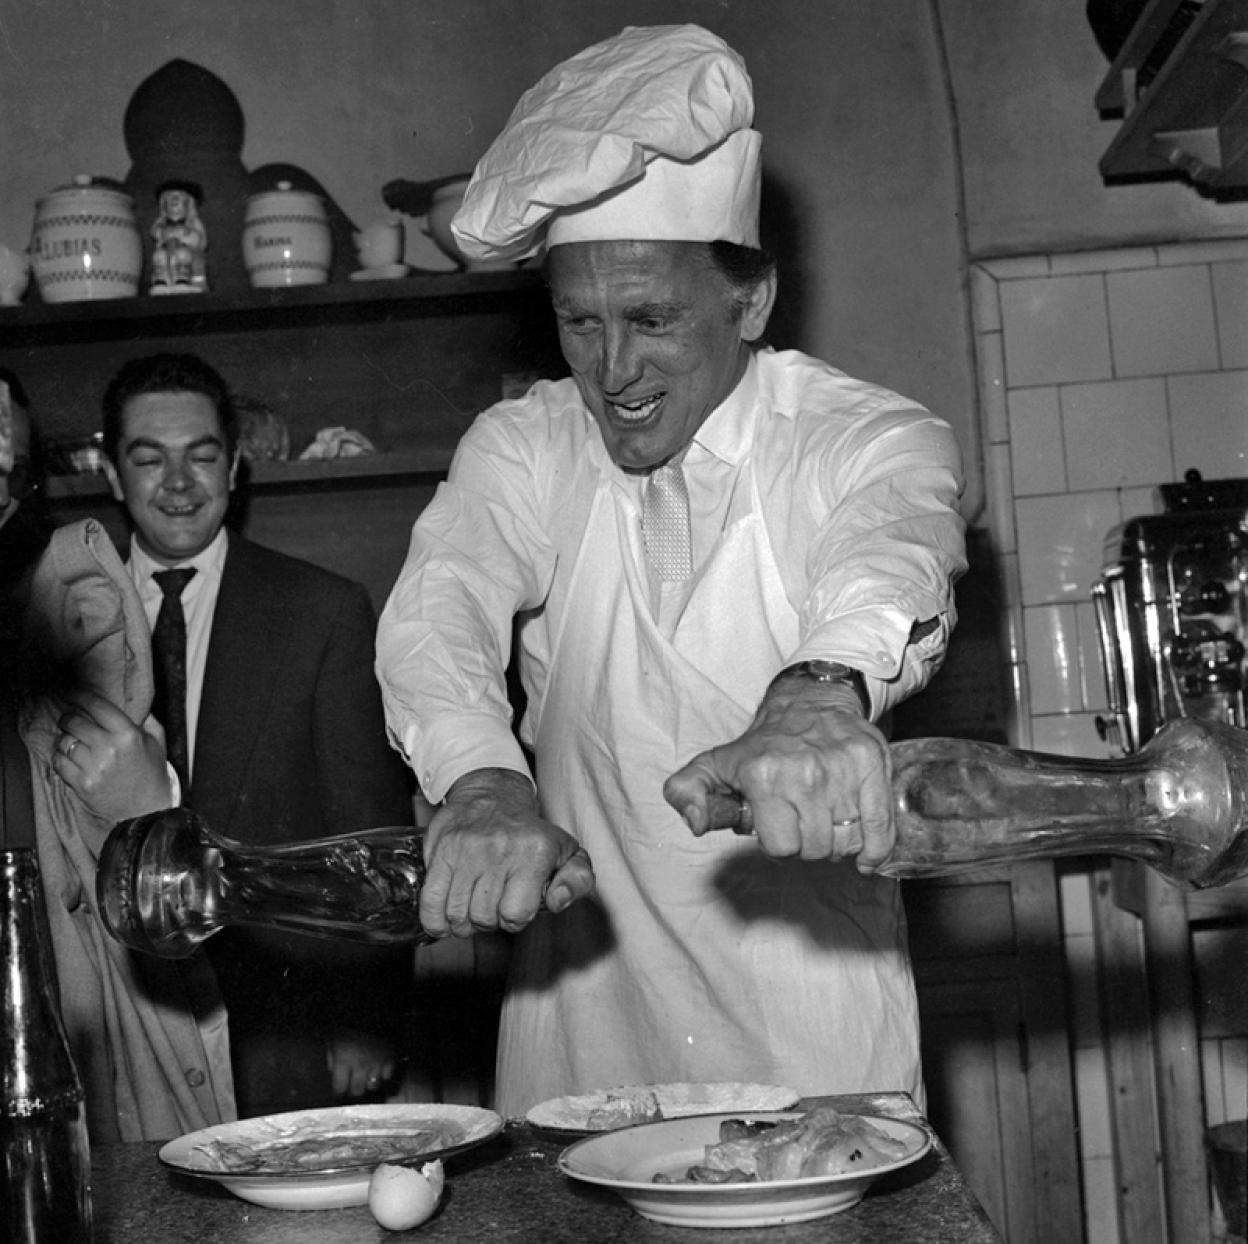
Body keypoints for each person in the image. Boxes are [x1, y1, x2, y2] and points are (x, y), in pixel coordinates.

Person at [376, 24, 968, 1117]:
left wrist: (817, 695)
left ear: (749, 301)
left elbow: (898, 551)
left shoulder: (863, 437)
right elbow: (439, 602)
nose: (611, 370)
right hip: (581, 1050)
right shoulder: (528, 445)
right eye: (579, 322)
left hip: (815, 1060)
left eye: (649, 318)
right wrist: (481, 778)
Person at [100, 351, 418, 1117]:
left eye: (201, 457)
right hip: (121, 1024)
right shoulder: (57, 621)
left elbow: (369, 834)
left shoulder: (322, 611)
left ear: (235, 466)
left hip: (284, 1025)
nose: (178, 484)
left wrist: (364, 1021)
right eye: (150, 460)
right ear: (112, 475)